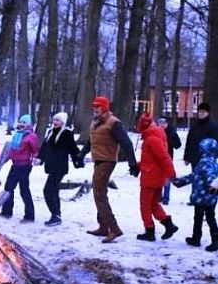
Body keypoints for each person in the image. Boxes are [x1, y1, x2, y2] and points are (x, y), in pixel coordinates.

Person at [76, 96, 139, 243]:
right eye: (94, 106)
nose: (96, 108)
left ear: (105, 107)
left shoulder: (114, 123)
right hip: (98, 160)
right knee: (100, 192)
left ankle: (114, 229)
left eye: (98, 106)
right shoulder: (96, 122)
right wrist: (81, 154)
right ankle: (103, 227)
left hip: (107, 161)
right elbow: (90, 141)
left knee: (99, 194)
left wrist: (132, 163)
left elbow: (126, 143)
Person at [135, 113, 178, 241]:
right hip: (157, 177)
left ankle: (149, 231)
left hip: (150, 178)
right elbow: (152, 160)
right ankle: (168, 224)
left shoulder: (151, 139)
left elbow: (164, 158)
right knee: (153, 204)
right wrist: (138, 166)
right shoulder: (158, 136)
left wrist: (172, 174)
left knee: (145, 205)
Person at [173, 138, 218, 252]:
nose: (199, 151)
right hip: (202, 197)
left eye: (201, 149)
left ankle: (215, 241)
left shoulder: (206, 162)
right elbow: (195, 175)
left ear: (205, 150)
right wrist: (180, 182)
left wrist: (212, 188)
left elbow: (210, 177)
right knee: (198, 217)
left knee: (209, 218)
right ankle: (196, 238)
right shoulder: (208, 160)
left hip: (206, 197)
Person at [37, 112, 80, 226]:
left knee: (47, 190)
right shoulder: (50, 132)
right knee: (54, 190)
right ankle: (56, 215)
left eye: (58, 121)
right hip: (51, 166)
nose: (55, 122)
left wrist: (78, 160)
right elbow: (44, 148)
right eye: (54, 120)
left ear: (63, 122)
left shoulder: (66, 133)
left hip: (60, 167)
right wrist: (40, 159)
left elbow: (73, 149)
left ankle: (55, 215)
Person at [0, 114, 39, 222]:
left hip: (24, 166)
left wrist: (35, 159)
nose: (21, 124)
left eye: (24, 122)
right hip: (15, 165)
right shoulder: (17, 134)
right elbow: (12, 150)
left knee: (24, 190)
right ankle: (7, 211)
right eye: (20, 122)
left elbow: (35, 150)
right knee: (8, 188)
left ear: (29, 124)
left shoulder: (31, 136)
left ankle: (29, 216)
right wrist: (3, 161)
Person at [183, 102, 218, 170]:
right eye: (199, 111)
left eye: (203, 112)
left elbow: (215, 143)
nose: (200, 113)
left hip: (207, 160)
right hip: (194, 159)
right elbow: (189, 142)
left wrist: (214, 156)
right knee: (195, 177)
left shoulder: (213, 126)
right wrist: (186, 157)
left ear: (207, 113)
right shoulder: (194, 126)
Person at [156, 116, 182, 205]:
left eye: (164, 123)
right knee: (158, 178)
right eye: (160, 123)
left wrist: (170, 142)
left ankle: (166, 198)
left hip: (168, 158)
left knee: (167, 178)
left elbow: (178, 145)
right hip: (157, 159)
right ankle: (158, 196)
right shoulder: (155, 132)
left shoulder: (172, 132)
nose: (162, 125)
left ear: (167, 124)